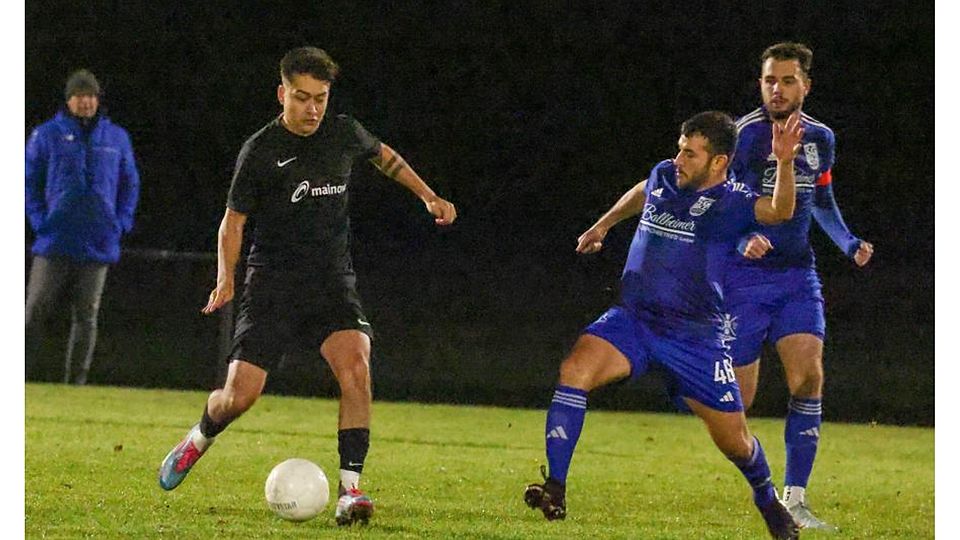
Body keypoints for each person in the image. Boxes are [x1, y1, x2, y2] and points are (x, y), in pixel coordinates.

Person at [157, 46, 457, 527]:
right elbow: (233, 222)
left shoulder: (343, 132)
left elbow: (385, 157)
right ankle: (199, 438)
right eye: (302, 97)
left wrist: (428, 195)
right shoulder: (260, 151)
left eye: (320, 97)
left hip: (332, 283)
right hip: (272, 284)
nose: (312, 108)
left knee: (357, 367)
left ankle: (350, 493)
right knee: (239, 397)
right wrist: (225, 278)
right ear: (282, 94)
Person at [524, 111, 804, 539]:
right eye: (679, 148)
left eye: (690, 153)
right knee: (574, 371)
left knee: (735, 441)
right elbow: (644, 191)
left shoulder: (731, 202)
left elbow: (780, 210)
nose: (678, 158)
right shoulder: (664, 175)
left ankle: (768, 501)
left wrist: (784, 163)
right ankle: (556, 488)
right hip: (634, 321)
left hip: (696, 338)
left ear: (718, 162)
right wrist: (604, 224)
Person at [726, 42, 874, 531]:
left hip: (795, 275)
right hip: (743, 280)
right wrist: (746, 236)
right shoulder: (744, 137)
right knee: (738, 403)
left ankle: (795, 499)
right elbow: (725, 204)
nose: (777, 89)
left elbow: (822, 200)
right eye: (770, 80)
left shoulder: (821, 138)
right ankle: (764, 491)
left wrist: (848, 241)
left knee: (808, 377)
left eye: (788, 80)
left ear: (805, 86)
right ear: (760, 83)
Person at [25, 69, 141, 385]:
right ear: (69, 100)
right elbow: (28, 181)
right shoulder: (46, 134)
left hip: (98, 242)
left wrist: (120, 223)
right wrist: (39, 221)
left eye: (90, 95)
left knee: (87, 318)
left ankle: (76, 383)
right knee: (34, 312)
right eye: (79, 95)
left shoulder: (116, 137)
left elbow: (129, 184)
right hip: (55, 241)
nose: (86, 101)